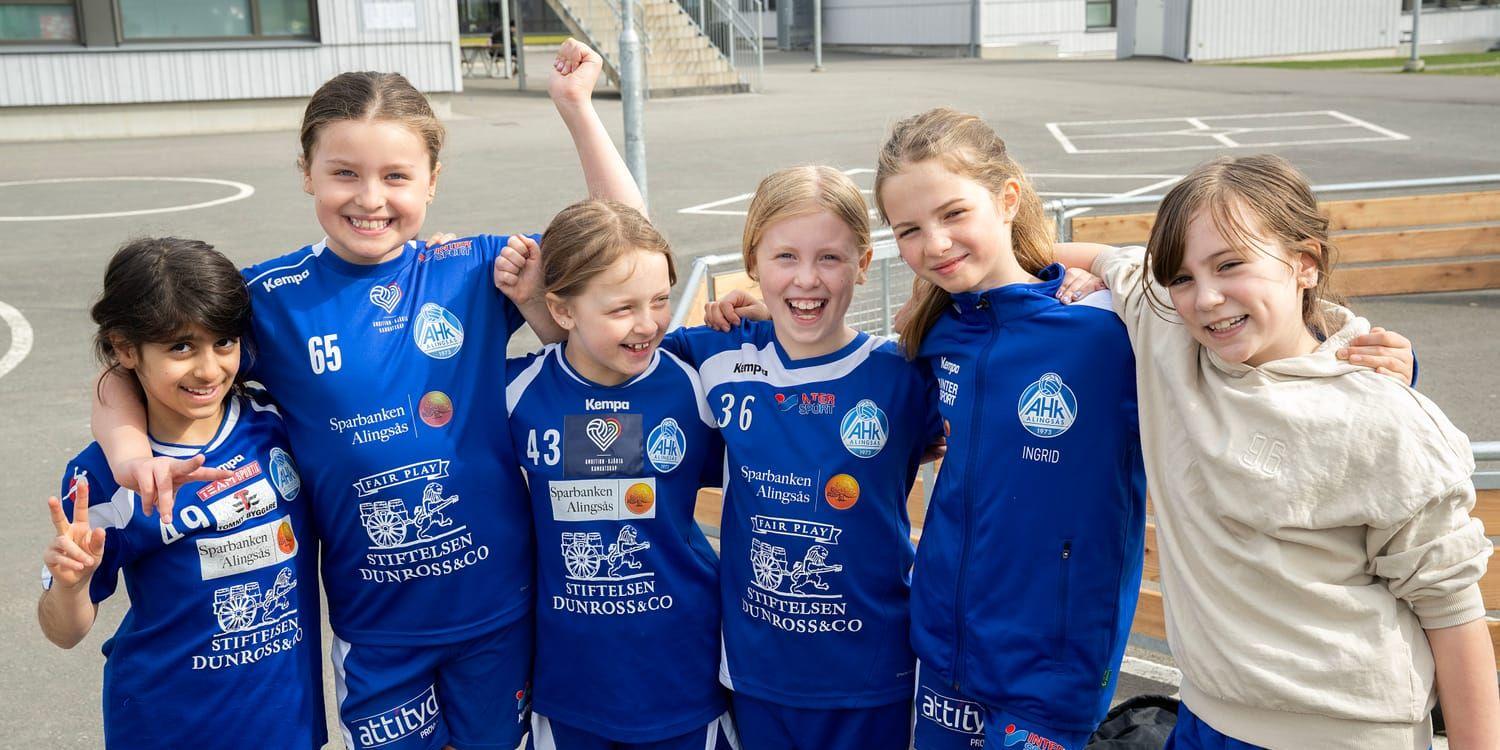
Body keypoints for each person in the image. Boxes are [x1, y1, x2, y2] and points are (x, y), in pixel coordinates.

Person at [90, 40, 644, 750]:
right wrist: (131, 455)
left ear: (433, 180)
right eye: (345, 173)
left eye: (397, 176)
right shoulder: (270, 300)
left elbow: (624, 243)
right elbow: (127, 367)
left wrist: (575, 107)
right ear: (307, 172)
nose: (371, 198)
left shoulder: (475, 269)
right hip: (376, 629)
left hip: (498, 612)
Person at [1056, 153, 1497, 750]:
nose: (1206, 297)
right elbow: (1074, 255)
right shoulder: (1167, 329)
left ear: (1304, 263)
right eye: (1181, 277)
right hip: (1205, 717)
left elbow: (1454, 613)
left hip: (1342, 735)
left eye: (1230, 264)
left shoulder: (1382, 417)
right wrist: (1060, 277)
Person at [665, 166, 942, 749]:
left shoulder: (906, 374)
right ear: (753, 262)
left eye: (830, 258)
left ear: (864, 264)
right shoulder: (713, 355)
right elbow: (608, 335)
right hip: (757, 673)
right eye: (785, 257)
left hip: (873, 676)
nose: (807, 278)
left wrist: (1076, 274)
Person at [40, 237, 323, 749]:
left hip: (286, 724)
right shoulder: (101, 476)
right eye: (180, 347)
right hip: (163, 726)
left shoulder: (276, 422)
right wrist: (71, 585)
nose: (208, 369)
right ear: (126, 348)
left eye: (224, 342)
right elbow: (64, 631)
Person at [503, 200, 734, 748]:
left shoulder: (697, 384)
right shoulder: (513, 393)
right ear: (561, 311)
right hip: (572, 684)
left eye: (660, 300)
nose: (648, 324)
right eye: (622, 308)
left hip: (683, 674)